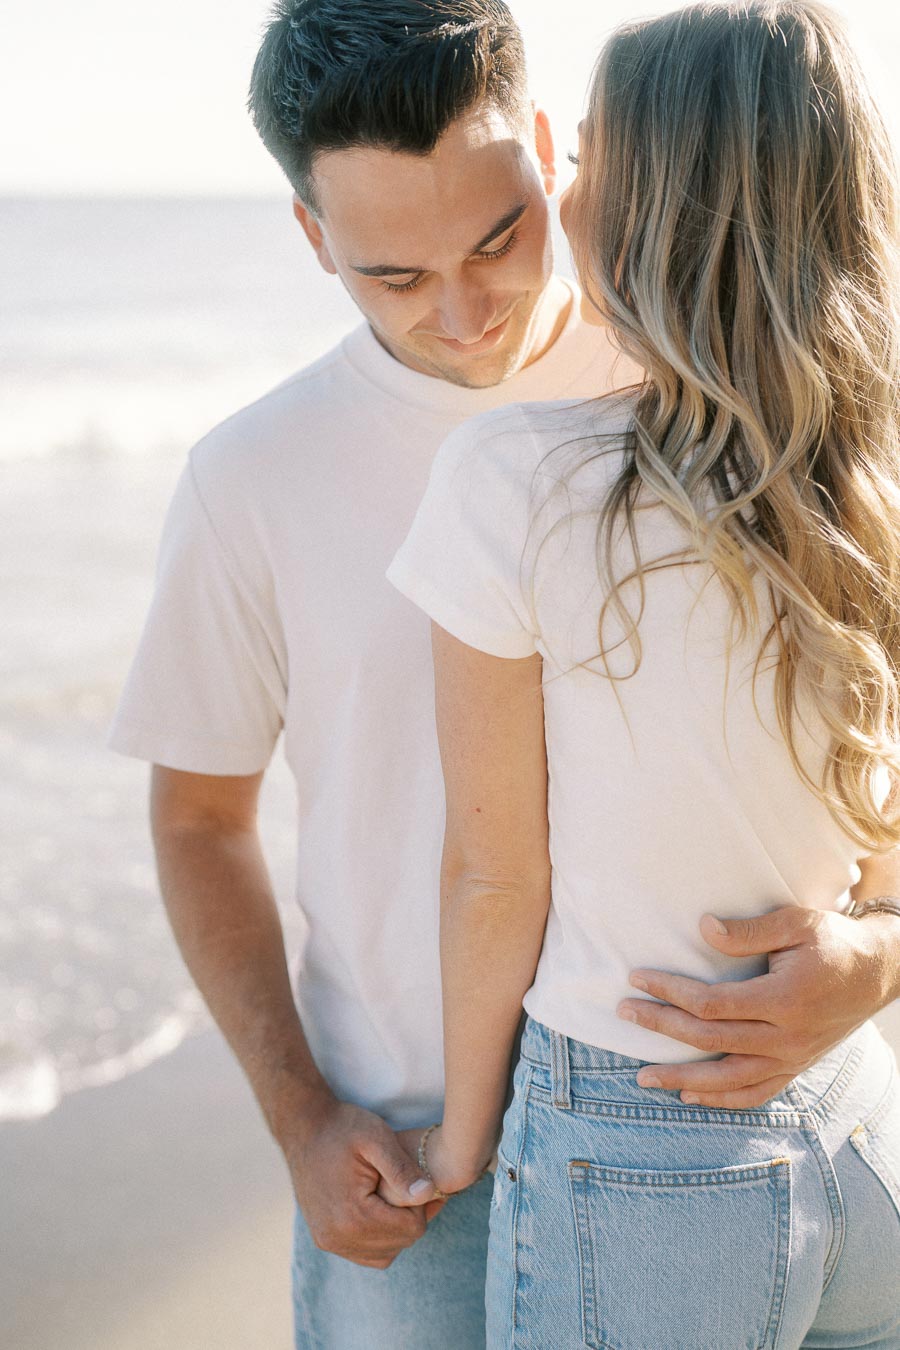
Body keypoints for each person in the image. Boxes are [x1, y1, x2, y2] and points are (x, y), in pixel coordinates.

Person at [109, 2, 643, 1345]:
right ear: (312, 242)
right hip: (403, 1158)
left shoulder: (692, 390)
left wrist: (871, 955)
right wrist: (301, 1116)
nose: (462, 313)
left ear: (546, 149)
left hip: (697, 1130)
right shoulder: (252, 477)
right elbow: (197, 816)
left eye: (496, 237)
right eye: (393, 277)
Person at [388, 1, 900, 1345]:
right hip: (862, 1124)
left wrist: (459, 1133)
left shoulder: (516, 482)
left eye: (592, 161)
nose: (563, 190)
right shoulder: (877, 493)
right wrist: (881, 955)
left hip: (636, 1150)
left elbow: (496, 875)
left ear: (655, 213)